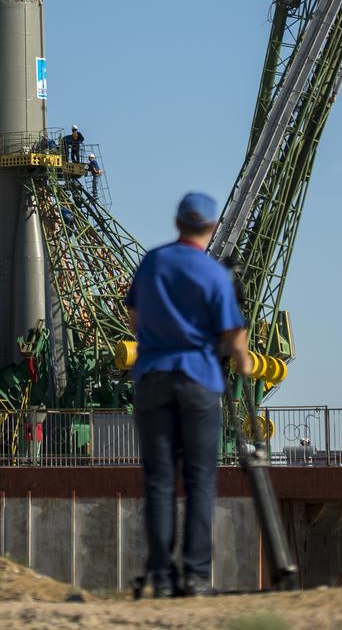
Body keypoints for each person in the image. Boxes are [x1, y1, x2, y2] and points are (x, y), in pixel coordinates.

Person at [125, 192, 252, 599]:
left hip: (153, 377)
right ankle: (196, 577)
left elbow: (133, 316)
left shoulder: (152, 263)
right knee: (199, 480)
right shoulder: (215, 275)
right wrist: (245, 360)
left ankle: (161, 578)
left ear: (177, 223)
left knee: (160, 481)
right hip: (198, 381)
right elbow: (234, 336)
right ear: (210, 227)